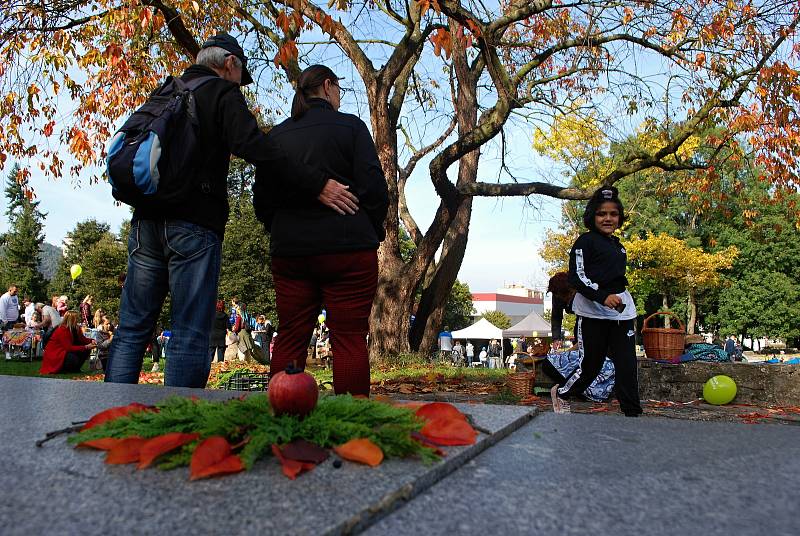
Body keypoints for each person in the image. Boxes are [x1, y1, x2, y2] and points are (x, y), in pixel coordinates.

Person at [105, 34, 352, 389]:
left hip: (145, 223)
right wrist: (315, 183)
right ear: (230, 64)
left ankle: (109, 416)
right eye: (241, 75)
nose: (241, 84)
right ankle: (180, 423)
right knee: (190, 330)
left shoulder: (167, 90)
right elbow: (254, 146)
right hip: (193, 224)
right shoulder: (221, 92)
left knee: (131, 327)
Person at [254, 64, 389, 396]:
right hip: (348, 249)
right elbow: (375, 190)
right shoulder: (351, 128)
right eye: (339, 89)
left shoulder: (278, 135)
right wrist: (367, 228)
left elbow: (262, 201)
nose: (339, 97)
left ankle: (282, 415)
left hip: (292, 253)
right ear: (328, 87)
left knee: (291, 334)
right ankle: (351, 422)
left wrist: (283, 228)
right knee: (348, 337)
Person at [552, 186, 642, 417]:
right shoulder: (585, 242)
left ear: (619, 217)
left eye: (613, 214)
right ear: (592, 216)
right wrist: (602, 296)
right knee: (591, 367)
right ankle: (562, 393)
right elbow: (577, 277)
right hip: (593, 313)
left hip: (622, 313)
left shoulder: (619, 247)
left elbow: (617, 279)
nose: (608, 218)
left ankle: (633, 413)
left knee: (628, 365)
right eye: (602, 213)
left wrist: (617, 298)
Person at [548, 272, 576, 351]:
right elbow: (556, 317)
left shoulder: (578, 287)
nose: (562, 298)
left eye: (563, 295)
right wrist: (556, 338)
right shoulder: (556, 294)